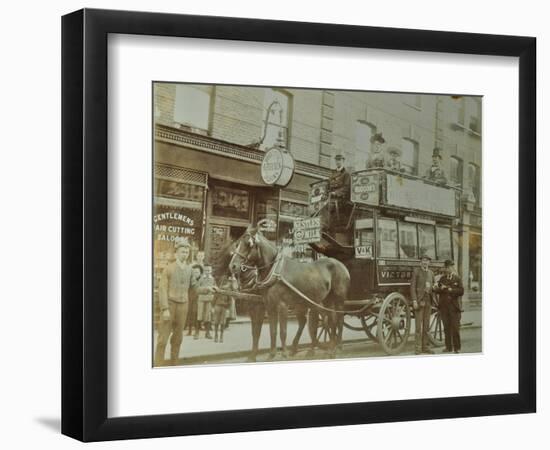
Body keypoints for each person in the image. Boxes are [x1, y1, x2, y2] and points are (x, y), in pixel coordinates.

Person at [155, 237, 195, 366]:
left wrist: (208, 289)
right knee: (162, 340)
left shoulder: (190, 270)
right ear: (176, 253)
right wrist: (165, 309)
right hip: (170, 306)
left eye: (187, 252)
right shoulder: (169, 268)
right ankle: (158, 364)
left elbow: (195, 287)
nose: (185, 254)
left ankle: (174, 364)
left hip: (183, 307)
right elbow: (162, 289)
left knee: (178, 339)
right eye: (183, 251)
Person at [434, 259, 465, 353]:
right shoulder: (442, 279)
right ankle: (448, 347)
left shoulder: (457, 278)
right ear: (445, 268)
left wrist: (452, 290)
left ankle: (457, 348)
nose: (449, 269)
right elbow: (437, 290)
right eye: (447, 267)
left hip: (454, 307)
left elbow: (461, 291)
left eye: (451, 267)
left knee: (455, 328)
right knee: (446, 328)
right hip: (444, 307)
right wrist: (440, 288)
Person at [410, 254, 435, 355]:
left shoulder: (431, 273)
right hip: (419, 302)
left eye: (427, 261)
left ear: (429, 262)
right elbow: (412, 287)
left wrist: (432, 287)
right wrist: (414, 301)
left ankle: (426, 347)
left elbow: (433, 286)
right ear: (421, 262)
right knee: (418, 327)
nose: (425, 262)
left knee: (426, 326)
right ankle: (417, 349)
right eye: (423, 260)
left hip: (428, 301)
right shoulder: (416, 272)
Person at [212, 275, 238, 343]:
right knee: (216, 322)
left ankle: (221, 336)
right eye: (222, 281)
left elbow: (229, 300)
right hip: (217, 306)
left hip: (224, 307)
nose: (223, 282)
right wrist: (212, 307)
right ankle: (216, 335)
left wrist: (228, 307)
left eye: (225, 281)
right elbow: (214, 298)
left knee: (222, 323)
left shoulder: (228, 290)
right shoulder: (218, 289)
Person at [195, 265, 216, 339]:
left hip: (209, 300)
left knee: (208, 316)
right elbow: (197, 289)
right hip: (201, 299)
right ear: (204, 271)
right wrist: (206, 288)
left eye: (209, 270)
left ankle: (207, 333)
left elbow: (215, 289)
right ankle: (197, 333)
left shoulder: (212, 279)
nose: (208, 272)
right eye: (206, 270)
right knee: (199, 315)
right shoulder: (201, 279)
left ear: (211, 271)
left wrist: (214, 290)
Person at [186, 264, 203, 337]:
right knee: (190, 314)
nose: (195, 274)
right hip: (190, 299)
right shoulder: (190, 280)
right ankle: (189, 330)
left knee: (197, 315)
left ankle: (197, 331)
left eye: (197, 272)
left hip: (199, 299)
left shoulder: (202, 280)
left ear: (200, 273)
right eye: (194, 272)